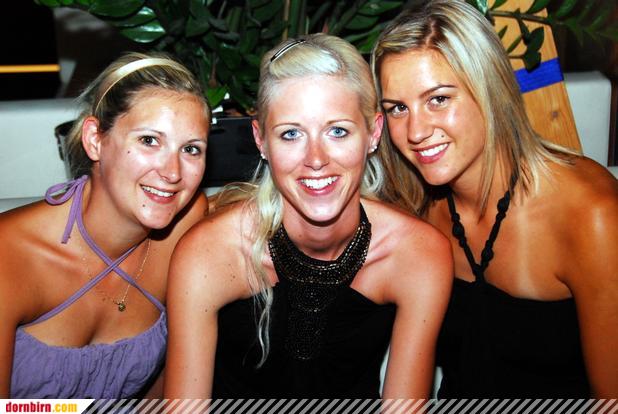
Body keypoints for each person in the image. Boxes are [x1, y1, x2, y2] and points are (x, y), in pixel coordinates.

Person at [164, 33, 452, 398]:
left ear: (373, 133)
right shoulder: (209, 253)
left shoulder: (417, 253)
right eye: (291, 134)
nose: (316, 159)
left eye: (337, 131)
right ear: (261, 140)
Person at [371, 0, 618, 397]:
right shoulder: (414, 207)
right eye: (398, 108)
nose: (415, 131)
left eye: (438, 99)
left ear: (488, 87)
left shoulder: (591, 213)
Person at [0, 52, 211, 398]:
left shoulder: (184, 225)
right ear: (95, 139)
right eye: (149, 140)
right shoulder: (9, 254)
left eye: (191, 149)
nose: (173, 173)